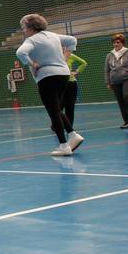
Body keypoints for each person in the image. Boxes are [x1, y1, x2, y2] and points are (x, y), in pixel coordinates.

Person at [15, 14, 84, 156]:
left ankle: (64, 145)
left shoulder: (31, 40)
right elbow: (72, 40)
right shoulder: (53, 36)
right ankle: (73, 135)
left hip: (47, 76)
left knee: (53, 111)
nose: (23, 30)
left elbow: (20, 52)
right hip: (64, 74)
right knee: (56, 108)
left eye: (24, 27)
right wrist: (65, 56)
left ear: (30, 27)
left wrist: (32, 63)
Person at [104, 33, 128, 129]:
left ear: (122, 43)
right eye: (114, 43)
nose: (115, 44)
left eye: (118, 42)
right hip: (115, 81)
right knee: (121, 101)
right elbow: (107, 70)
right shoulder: (109, 55)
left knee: (127, 96)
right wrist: (108, 82)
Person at [64, 50, 88, 127]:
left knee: (70, 106)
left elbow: (83, 63)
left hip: (71, 83)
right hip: (59, 85)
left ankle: (69, 127)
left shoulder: (71, 56)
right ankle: (55, 125)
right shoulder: (54, 57)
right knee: (58, 106)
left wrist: (76, 72)